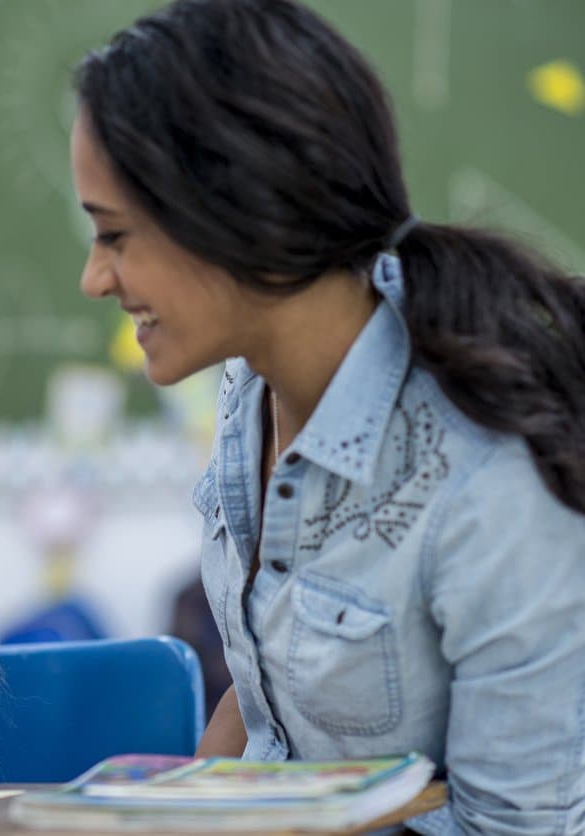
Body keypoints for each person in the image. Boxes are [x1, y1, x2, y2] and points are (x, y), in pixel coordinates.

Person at [69, 1, 585, 832]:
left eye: (115, 235)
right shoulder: (252, 394)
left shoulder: (489, 478)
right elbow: (276, 696)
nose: (96, 277)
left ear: (231, 215)